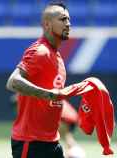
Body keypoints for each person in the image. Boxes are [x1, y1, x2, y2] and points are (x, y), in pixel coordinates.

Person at [6, 1, 73, 158]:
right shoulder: (39, 51)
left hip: (52, 142)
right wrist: (47, 94)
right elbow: (13, 81)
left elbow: (54, 100)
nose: (68, 24)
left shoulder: (58, 58)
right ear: (47, 24)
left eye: (69, 20)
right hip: (31, 144)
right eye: (63, 19)